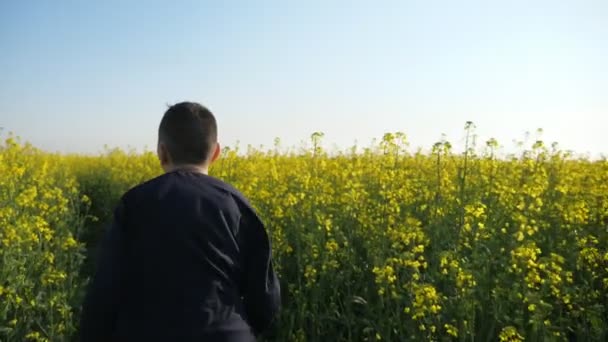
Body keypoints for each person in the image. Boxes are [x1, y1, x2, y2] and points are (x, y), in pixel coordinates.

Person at [79, 102, 281, 342]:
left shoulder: (134, 203)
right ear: (216, 152)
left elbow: (105, 291)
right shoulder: (238, 206)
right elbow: (266, 299)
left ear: (161, 152)